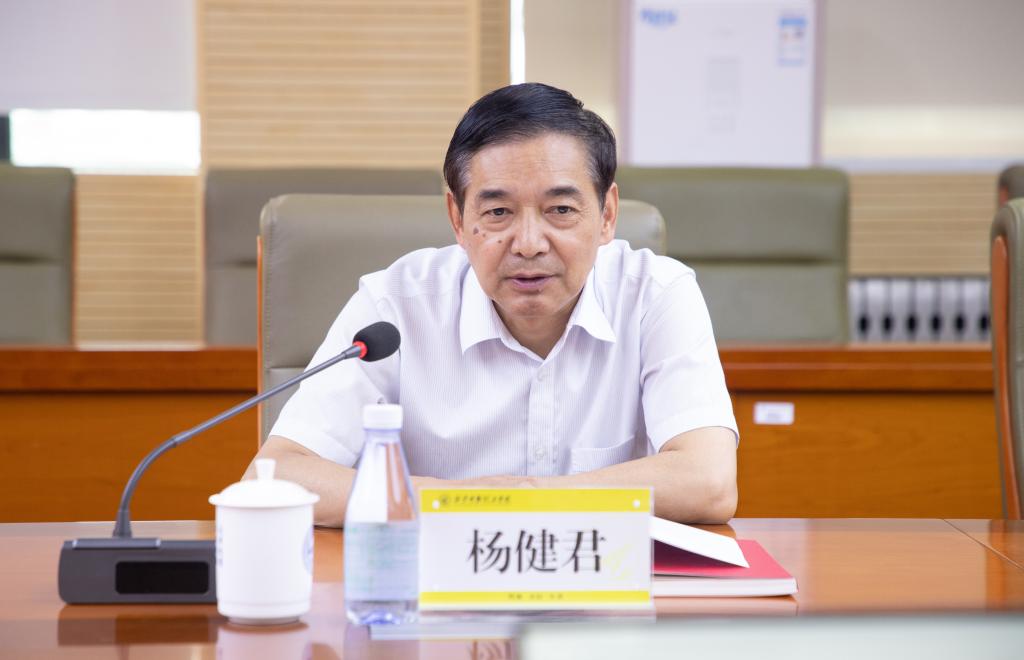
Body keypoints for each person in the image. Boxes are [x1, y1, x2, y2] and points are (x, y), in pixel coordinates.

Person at [247, 83, 738, 525]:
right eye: (498, 212)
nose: (529, 244)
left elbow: (709, 482)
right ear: (458, 219)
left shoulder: (655, 294)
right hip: (435, 588)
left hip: (603, 590)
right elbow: (278, 473)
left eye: (560, 210)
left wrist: (526, 496)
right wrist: (467, 501)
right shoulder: (393, 306)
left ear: (607, 215)